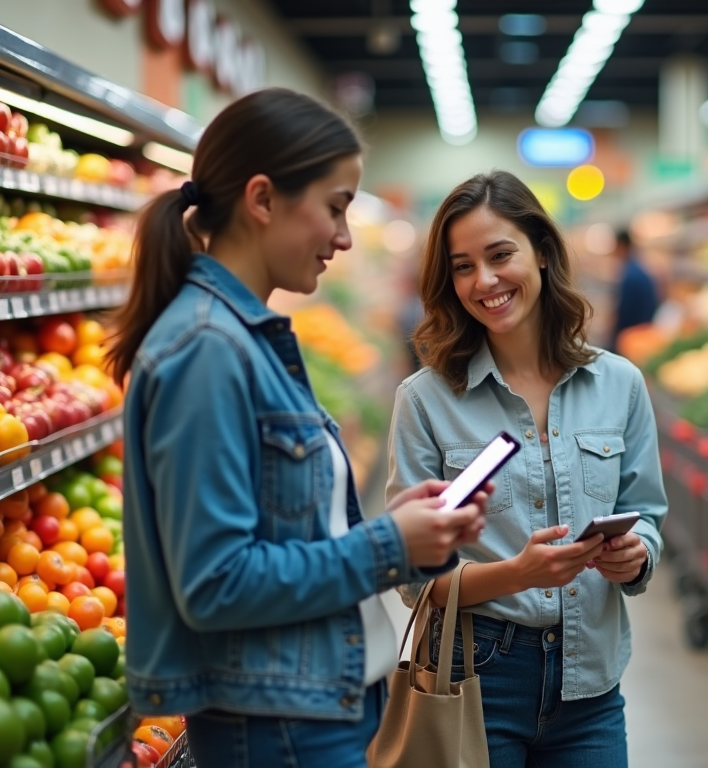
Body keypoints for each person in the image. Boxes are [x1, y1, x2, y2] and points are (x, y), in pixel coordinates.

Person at [107, 88, 486, 768]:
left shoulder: (244, 338)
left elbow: (273, 534)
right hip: (279, 727)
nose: (344, 236)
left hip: (307, 709)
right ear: (262, 199)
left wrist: (395, 531)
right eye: (335, 207)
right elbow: (218, 582)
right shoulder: (206, 349)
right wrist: (383, 546)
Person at [387, 170, 668, 768]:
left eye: (499, 255)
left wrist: (635, 553)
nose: (484, 280)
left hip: (591, 684)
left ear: (541, 252)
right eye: (462, 266)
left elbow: (648, 515)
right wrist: (518, 573)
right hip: (475, 678)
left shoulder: (619, 384)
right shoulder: (426, 399)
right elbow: (414, 577)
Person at [609, 228, 658, 353]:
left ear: (621, 245)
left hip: (633, 338)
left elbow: (625, 312)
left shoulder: (630, 275)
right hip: (645, 333)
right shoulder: (640, 270)